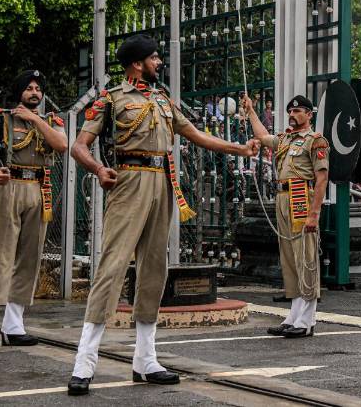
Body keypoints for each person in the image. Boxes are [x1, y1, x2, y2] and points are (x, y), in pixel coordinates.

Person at [67, 35, 257, 396]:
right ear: (137, 63)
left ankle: (146, 359)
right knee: (112, 267)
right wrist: (97, 169)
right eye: (154, 58)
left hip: (162, 183)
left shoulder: (163, 100)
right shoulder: (111, 98)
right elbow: (80, 146)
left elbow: (195, 135)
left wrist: (240, 150)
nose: (159, 63)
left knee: (154, 270)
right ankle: (84, 362)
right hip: (128, 181)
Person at [0, 70, 67, 353]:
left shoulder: (50, 121)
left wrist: (35, 119)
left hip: (40, 188)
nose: (34, 92)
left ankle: (13, 327)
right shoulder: (2, 118)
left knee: (29, 257)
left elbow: (61, 145)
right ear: (19, 92)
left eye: (38, 88)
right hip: (9, 184)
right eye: (29, 88)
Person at [242, 93, 330, 339]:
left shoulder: (316, 140)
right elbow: (261, 135)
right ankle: (294, 315)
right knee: (289, 258)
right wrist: (250, 111)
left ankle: (307, 319)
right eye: (291, 111)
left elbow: (322, 178)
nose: (293, 115)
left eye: (298, 111)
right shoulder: (284, 139)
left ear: (309, 115)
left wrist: (314, 214)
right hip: (283, 197)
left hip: (302, 195)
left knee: (306, 257)